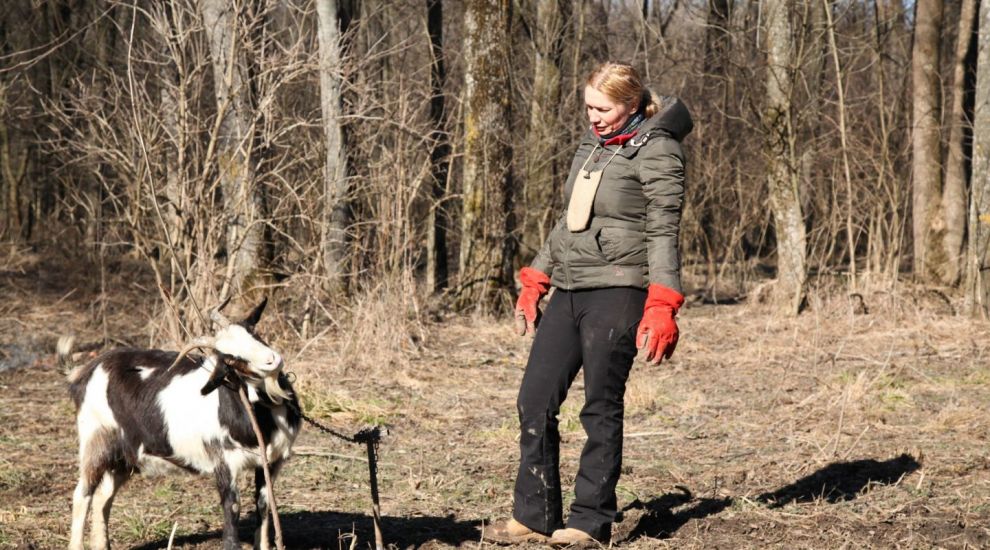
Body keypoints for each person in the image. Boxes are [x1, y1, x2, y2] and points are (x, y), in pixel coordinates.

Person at [489, 61, 693, 545]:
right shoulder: (593, 146)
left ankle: (589, 520)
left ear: (631, 104)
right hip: (571, 287)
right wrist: (537, 276)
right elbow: (570, 220)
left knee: (600, 407)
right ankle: (533, 514)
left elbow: (665, 229)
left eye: (603, 109)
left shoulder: (659, 151)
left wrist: (663, 302)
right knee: (534, 399)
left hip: (621, 289)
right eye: (588, 107)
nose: (594, 117)